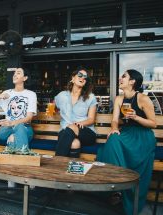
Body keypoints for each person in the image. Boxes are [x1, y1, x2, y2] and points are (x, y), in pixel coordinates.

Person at [97, 69, 156, 215]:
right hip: (127, 133)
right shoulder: (119, 99)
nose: (120, 78)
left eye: (124, 76)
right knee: (113, 138)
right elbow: (115, 120)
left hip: (142, 136)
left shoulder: (143, 99)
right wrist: (114, 128)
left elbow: (153, 124)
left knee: (108, 147)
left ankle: (120, 189)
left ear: (132, 81)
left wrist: (136, 117)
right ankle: (114, 187)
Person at [0, 67, 37, 150]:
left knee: (18, 129)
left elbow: (29, 117)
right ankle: (23, 156)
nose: (15, 75)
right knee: (17, 128)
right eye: (14, 73)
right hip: (6, 130)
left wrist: (12, 123)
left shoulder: (31, 94)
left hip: (25, 129)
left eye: (18, 73)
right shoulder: (6, 93)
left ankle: (11, 146)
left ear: (25, 78)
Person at [54, 67, 97, 158]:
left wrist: (80, 123)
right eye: (80, 75)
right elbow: (54, 107)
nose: (82, 78)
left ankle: (56, 162)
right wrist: (52, 110)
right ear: (73, 78)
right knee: (75, 143)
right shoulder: (61, 95)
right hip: (66, 132)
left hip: (85, 132)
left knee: (72, 127)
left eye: (85, 77)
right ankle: (71, 169)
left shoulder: (91, 97)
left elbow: (91, 119)